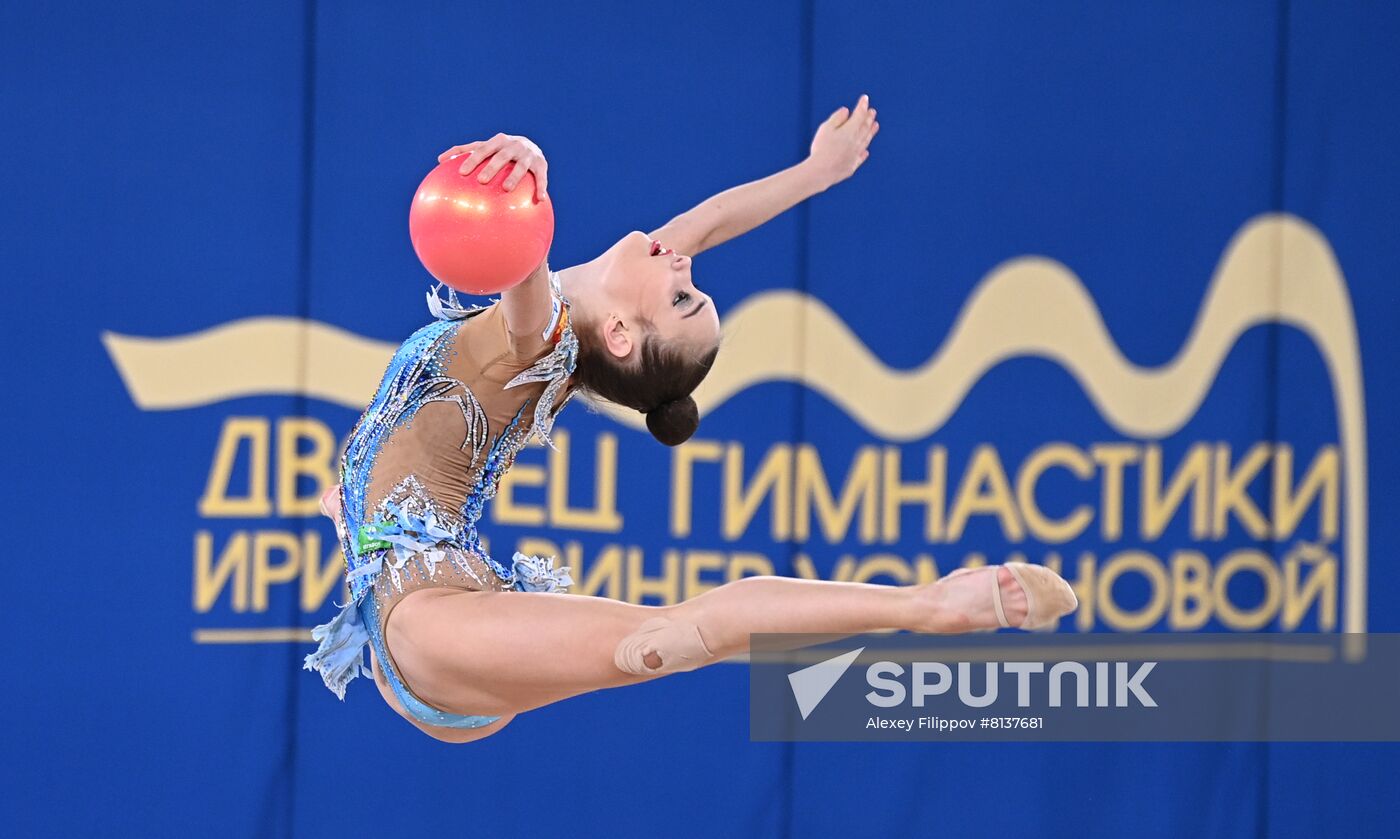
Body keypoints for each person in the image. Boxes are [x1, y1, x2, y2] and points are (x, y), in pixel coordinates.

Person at [304, 95, 1077, 743]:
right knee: (662, 635)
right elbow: (704, 225)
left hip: (432, 627)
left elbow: (521, 283)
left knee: (667, 638)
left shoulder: (537, 338)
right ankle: (922, 608)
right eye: (692, 283)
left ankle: (932, 607)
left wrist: (529, 183)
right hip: (419, 613)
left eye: (681, 298)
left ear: (620, 336)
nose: (683, 262)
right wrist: (816, 171)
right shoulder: (592, 318)